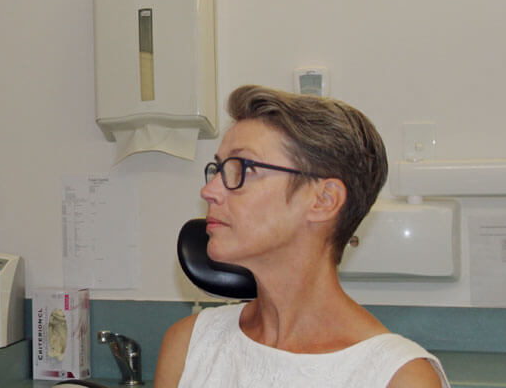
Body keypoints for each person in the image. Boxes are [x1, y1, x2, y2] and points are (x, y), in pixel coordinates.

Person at [154, 85, 450, 388]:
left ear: (323, 200)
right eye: (217, 169)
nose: (210, 191)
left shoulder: (398, 378)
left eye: (242, 168)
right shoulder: (190, 346)